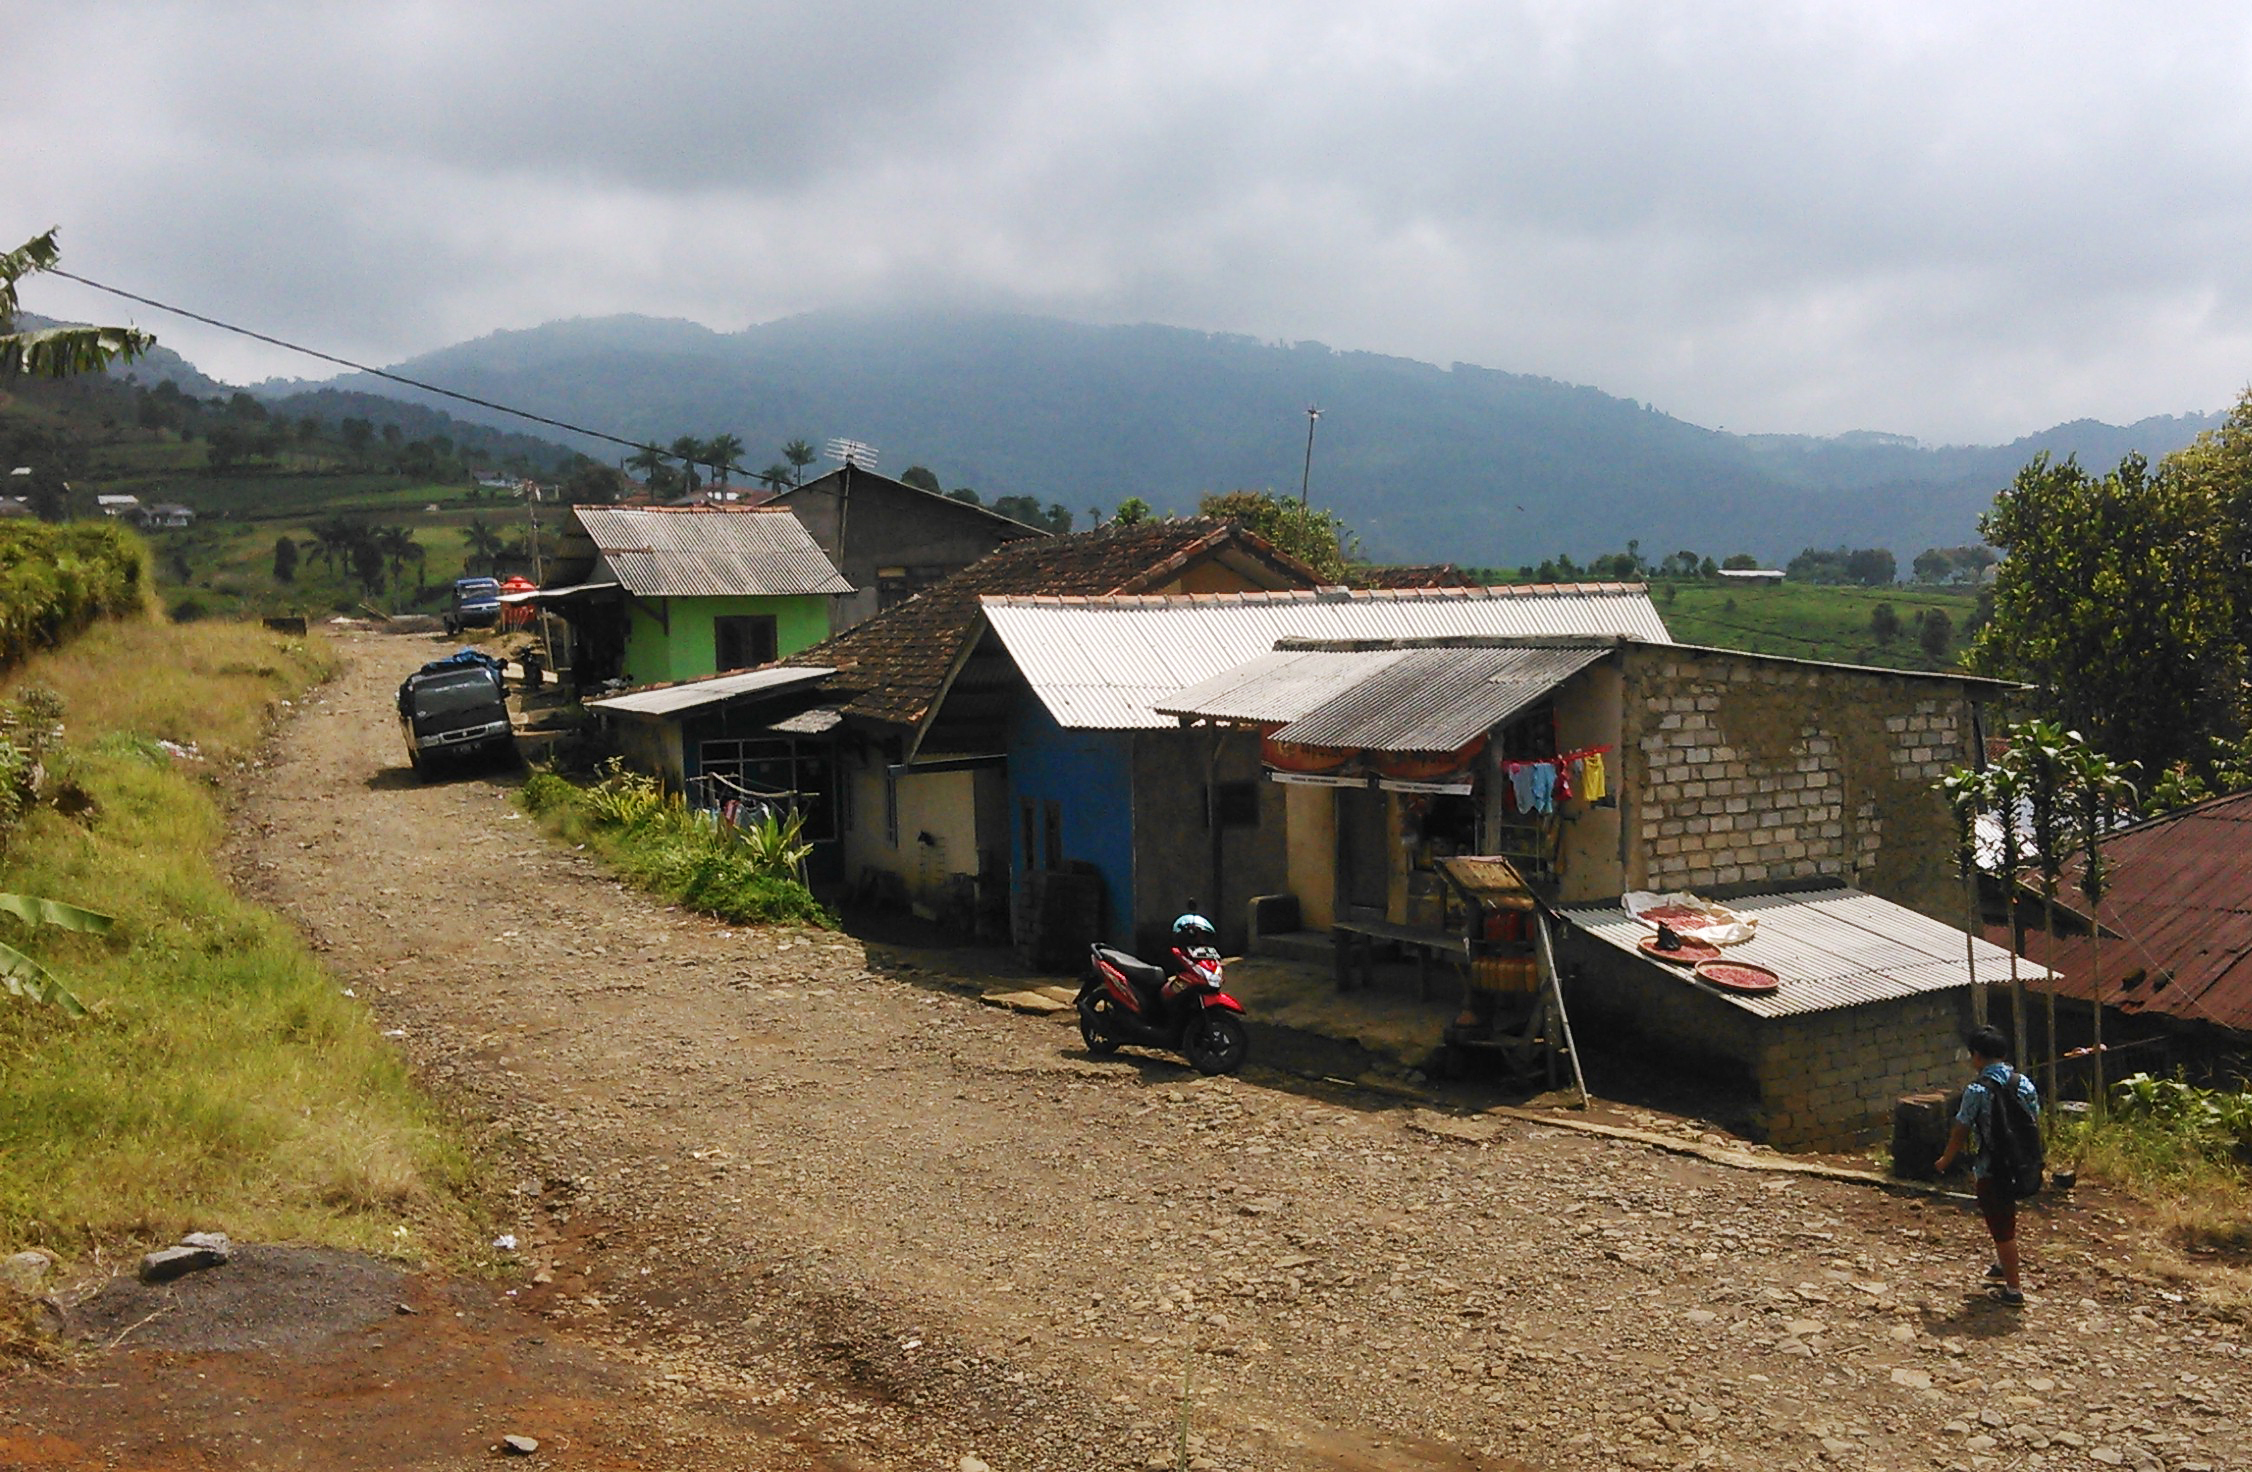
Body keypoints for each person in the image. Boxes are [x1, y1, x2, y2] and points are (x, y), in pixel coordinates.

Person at [1934, 1024, 2041, 1306]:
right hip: (2023, 1162)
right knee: (2004, 1216)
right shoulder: (2024, 1083)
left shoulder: (1977, 1090)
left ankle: (2014, 1290)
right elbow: (2034, 1121)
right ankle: (2000, 1265)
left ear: (1978, 1056)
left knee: (2002, 1226)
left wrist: (1946, 1159)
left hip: (1992, 1166)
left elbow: (1961, 1128)